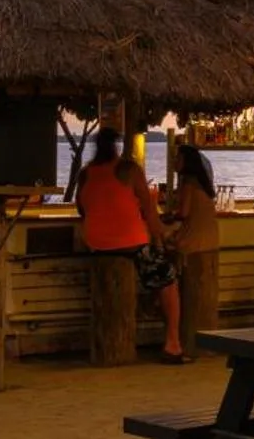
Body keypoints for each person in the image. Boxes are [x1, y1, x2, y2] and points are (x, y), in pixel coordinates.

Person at [76, 125, 185, 362]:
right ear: (117, 146)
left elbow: (81, 209)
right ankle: (173, 342)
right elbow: (150, 214)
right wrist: (164, 236)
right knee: (167, 276)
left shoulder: (85, 173)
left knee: (153, 270)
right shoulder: (129, 169)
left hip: (95, 245)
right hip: (130, 244)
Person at [163, 144, 219, 256]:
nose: (174, 161)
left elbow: (183, 213)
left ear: (187, 162)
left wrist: (166, 218)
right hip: (211, 240)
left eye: (178, 158)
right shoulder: (201, 181)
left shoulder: (189, 181)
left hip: (195, 242)